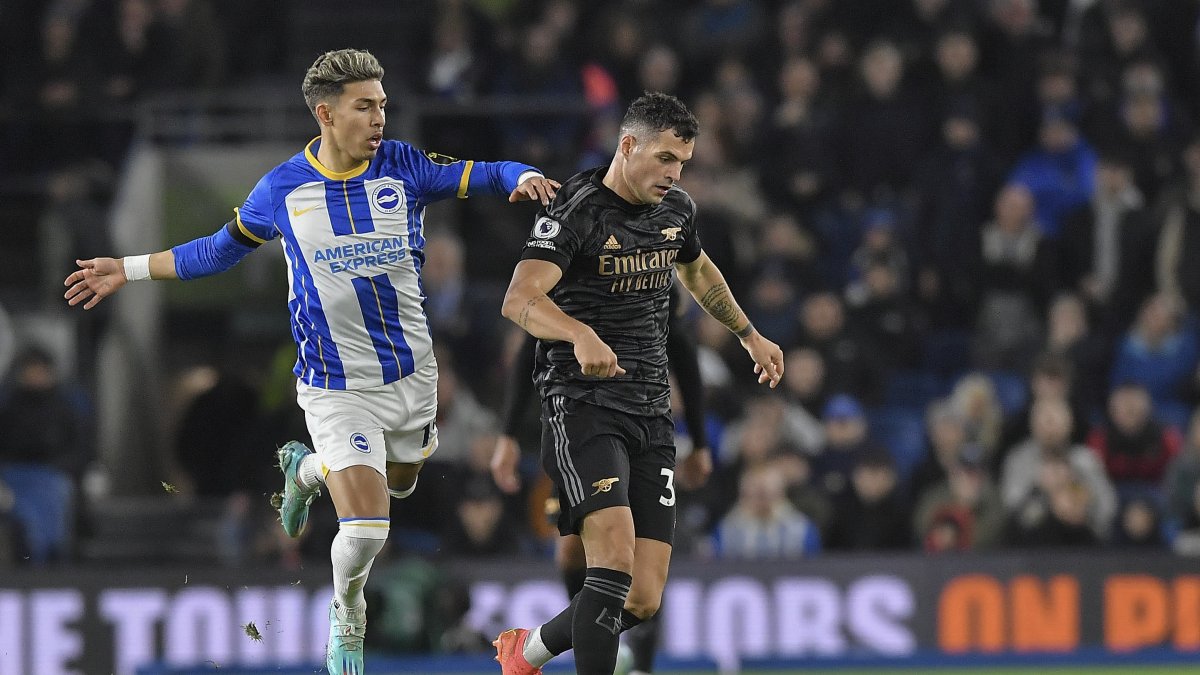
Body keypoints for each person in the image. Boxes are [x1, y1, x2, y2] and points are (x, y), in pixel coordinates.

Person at [62, 48, 559, 675]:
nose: (380, 117)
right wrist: (129, 269)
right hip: (334, 386)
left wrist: (520, 176)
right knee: (370, 527)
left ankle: (303, 470)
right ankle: (347, 616)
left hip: (412, 376)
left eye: (382, 104)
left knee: (402, 481)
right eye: (365, 106)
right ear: (326, 113)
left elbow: (486, 171)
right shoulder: (282, 189)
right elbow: (218, 251)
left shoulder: (405, 166)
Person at [490, 92, 783, 675]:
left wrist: (749, 334)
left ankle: (529, 651)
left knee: (642, 597)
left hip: (651, 413)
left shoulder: (676, 210)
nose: (674, 174)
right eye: (666, 159)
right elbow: (519, 300)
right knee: (611, 564)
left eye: (683, 163)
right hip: (582, 406)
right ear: (628, 146)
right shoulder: (576, 209)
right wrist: (577, 334)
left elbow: (697, 270)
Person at [489, 284, 714, 675]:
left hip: (648, 426)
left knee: (641, 594)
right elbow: (531, 342)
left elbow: (681, 347)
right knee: (581, 554)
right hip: (582, 422)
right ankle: (611, 656)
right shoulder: (572, 255)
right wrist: (508, 434)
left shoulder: (655, 261)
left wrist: (699, 439)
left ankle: (536, 648)